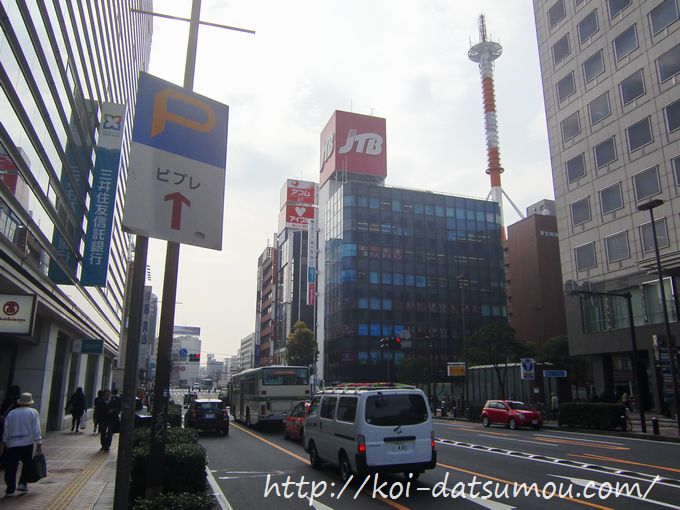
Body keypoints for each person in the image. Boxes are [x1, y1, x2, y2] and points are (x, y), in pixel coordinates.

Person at [2, 393, 42, 497]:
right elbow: (36, 428)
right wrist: (38, 442)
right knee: (27, 464)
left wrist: (5, 442)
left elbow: (6, 429)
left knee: (11, 466)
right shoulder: (33, 412)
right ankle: (23, 483)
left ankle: (10, 489)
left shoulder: (11, 413)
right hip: (27, 443)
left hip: (12, 444)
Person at [0, 385, 21, 469]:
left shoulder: (7, 400)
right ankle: (10, 460)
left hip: (4, 424)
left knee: (4, 443)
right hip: (14, 426)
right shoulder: (19, 402)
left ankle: (3, 460)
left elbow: (2, 411)